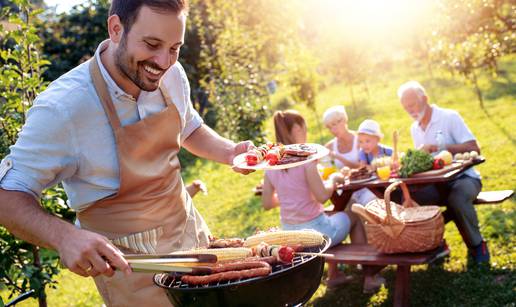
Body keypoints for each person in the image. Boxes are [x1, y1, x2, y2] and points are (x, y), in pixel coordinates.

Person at [0, 1, 253, 305]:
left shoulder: (171, 74)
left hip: (194, 243)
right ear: (116, 29)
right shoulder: (63, 107)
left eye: (175, 48)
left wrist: (230, 151)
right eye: (152, 44)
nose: (164, 61)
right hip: (132, 273)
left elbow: (189, 128)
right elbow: (8, 196)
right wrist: (64, 236)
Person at [261, 110, 384, 291]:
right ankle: (369, 277)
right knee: (354, 215)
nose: (306, 133)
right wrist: (333, 180)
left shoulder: (270, 164)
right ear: (296, 129)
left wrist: (291, 197)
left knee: (333, 214)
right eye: (304, 129)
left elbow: (267, 203)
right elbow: (322, 196)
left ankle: (334, 276)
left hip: (290, 234)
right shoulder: (306, 159)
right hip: (317, 233)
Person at [397, 80, 489, 264]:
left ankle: (478, 246)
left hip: (465, 179)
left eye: (413, 104)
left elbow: (474, 147)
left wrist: (442, 147)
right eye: (406, 108)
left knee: (457, 199)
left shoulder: (449, 117)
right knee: (409, 201)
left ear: (425, 99)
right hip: (437, 184)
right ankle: (437, 246)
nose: (410, 110)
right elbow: (425, 164)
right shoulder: (415, 128)